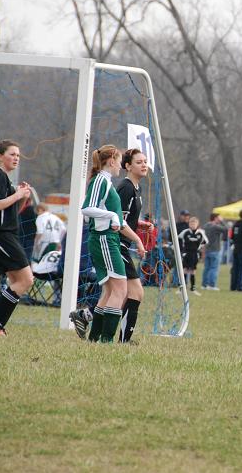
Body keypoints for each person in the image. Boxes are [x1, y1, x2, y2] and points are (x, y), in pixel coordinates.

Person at [80, 145, 145, 343]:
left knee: (110, 291)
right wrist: (111, 217)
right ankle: (107, 340)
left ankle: (95, 338)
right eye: (118, 161)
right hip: (105, 239)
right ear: (112, 161)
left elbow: (119, 218)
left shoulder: (106, 182)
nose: (119, 166)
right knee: (120, 290)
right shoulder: (101, 180)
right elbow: (87, 209)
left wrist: (137, 238)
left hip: (109, 239)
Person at [0, 140, 34, 336]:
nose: (16, 158)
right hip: (0, 235)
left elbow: (10, 211)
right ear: (0, 156)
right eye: (12, 154)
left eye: (18, 155)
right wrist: (18, 194)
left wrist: (22, 197)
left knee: (16, 281)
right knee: (26, 279)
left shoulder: (5, 179)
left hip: (8, 234)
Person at [115, 148, 149, 342]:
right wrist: (137, 239)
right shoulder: (126, 187)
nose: (144, 165)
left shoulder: (137, 188)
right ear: (127, 166)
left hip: (124, 245)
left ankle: (87, 317)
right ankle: (124, 341)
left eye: (145, 161)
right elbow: (118, 221)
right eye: (139, 162)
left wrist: (140, 224)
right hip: (117, 244)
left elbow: (127, 219)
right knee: (135, 292)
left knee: (118, 294)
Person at [179, 216, 207, 294]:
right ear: (189, 224)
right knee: (184, 269)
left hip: (195, 254)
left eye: (194, 223)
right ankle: (182, 289)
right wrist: (182, 250)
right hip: (186, 253)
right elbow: (178, 239)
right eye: (191, 223)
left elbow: (205, 242)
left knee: (193, 270)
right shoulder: (185, 232)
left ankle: (193, 288)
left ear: (197, 224)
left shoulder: (200, 232)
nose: (193, 225)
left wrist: (200, 249)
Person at [202, 213, 225, 290]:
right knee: (214, 268)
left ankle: (204, 285)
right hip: (215, 250)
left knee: (206, 268)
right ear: (215, 218)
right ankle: (211, 285)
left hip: (207, 249)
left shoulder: (205, 226)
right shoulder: (215, 227)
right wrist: (222, 221)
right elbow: (226, 229)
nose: (219, 219)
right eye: (218, 218)